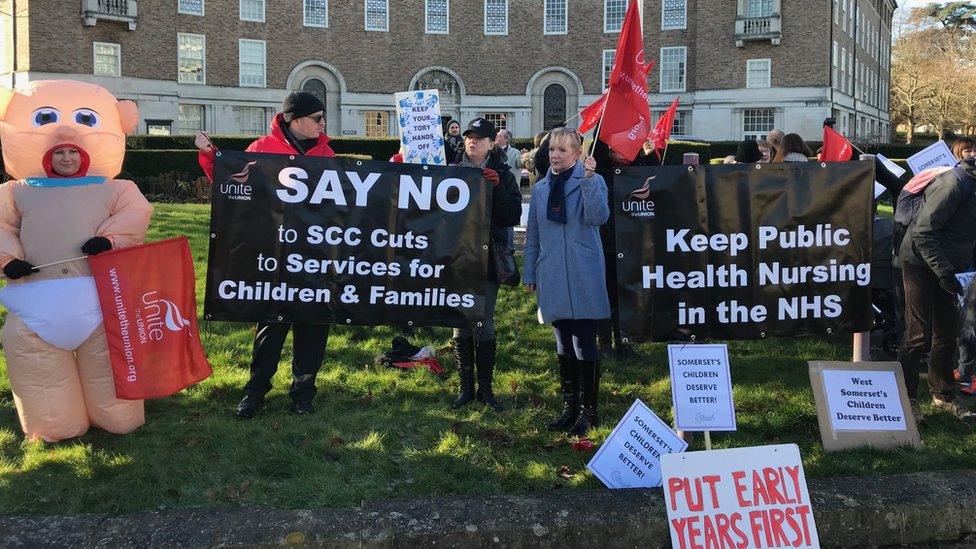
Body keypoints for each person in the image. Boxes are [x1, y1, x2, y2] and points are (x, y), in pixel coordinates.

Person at [0, 80, 153, 441]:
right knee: (37, 361)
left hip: (100, 298)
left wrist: (110, 239)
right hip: (35, 298)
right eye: (58, 153)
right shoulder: (16, 193)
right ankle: (55, 423)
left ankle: (116, 414)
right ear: (47, 156)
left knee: (107, 362)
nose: (65, 159)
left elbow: (135, 214)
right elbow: (1, 226)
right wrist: (8, 260)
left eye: (71, 153)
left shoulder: (116, 189)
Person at [196, 91, 335, 418]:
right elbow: (232, 180)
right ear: (295, 119)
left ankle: (303, 393)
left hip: (313, 253)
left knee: (313, 323)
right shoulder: (262, 149)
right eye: (317, 118)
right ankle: (255, 391)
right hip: (274, 254)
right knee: (272, 323)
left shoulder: (326, 152)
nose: (323, 124)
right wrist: (209, 156)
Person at [524, 127, 611, 437]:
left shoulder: (593, 181)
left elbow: (597, 217)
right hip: (553, 274)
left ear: (578, 153)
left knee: (584, 342)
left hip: (583, 271)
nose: (555, 156)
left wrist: (588, 181)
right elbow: (533, 234)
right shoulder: (540, 189)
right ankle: (569, 406)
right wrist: (529, 272)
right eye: (551, 150)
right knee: (562, 343)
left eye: (562, 150)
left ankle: (590, 411)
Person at [898, 153, 976, 420]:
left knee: (948, 332)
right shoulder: (955, 183)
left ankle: (943, 395)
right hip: (920, 261)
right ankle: (907, 399)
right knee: (917, 334)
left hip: (954, 266)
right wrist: (944, 272)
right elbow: (923, 232)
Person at [451, 117, 522, 412]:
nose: (472, 141)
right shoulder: (451, 172)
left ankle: (486, 390)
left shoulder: (503, 173)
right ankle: (465, 388)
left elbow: (512, 216)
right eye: (469, 137)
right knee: (459, 322)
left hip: (489, 257)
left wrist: (497, 189)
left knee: (484, 320)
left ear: (492, 143)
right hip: (458, 257)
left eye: (479, 138)